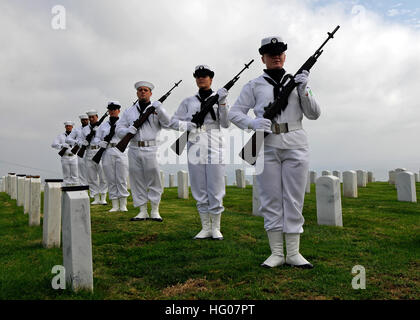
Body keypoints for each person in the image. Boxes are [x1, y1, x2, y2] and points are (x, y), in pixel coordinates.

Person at [228, 36, 321, 268]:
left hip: (296, 144)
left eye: (280, 52)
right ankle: (277, 253)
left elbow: (314, 114)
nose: (276, 56)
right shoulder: (254, 85)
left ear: (285, 56)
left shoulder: (299, 82)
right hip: (266, 145)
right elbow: (234, 113)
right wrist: (253, 124)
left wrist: (304, 88)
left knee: (294, 199)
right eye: (271, 53)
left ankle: (294, 253)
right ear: (263, 58)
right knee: (270, 199)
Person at [169, 65, 229, 240]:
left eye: (205, 76)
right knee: (199, 186)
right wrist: (187, 125)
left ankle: (216, 227)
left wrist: (223, 103)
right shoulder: (188, 101)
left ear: (211, 79)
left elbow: (225, 124)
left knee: (216, 187)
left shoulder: (219, 99)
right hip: (195, 142)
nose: (201, 78)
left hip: (215, 144)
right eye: (198, 76)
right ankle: (205, 227)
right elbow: (173, 121)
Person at [116, 81, 171, 221]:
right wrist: (128, 130)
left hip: (151, 148)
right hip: (134, 148)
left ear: (150, 93)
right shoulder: (129, 111)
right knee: (137, 180)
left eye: (146, 90)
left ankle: (154, 210)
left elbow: (168, 124)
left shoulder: (156, 109)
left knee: (154, 179)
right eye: (140, 90)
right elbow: (118, 129)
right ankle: (142, 211)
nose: (143, 92)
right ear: (137, 93)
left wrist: (161, 110)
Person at [96, 101, 130, 212]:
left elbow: (129, 134)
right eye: (110, 109)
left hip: (120, 150)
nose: (112, 111)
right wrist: (100, 143)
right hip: (108, 151)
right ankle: (115, 204)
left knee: (122, 178)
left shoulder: (123, 123)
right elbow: (97, 138)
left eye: (115, 109)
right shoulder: (103, 125)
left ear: (119, 111)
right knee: (110, 179)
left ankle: (123, 204)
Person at [81, 109, 108, 205]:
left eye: (93, 117)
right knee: (91, 177)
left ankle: (103, 197)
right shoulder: (84, 129)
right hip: (89, 152)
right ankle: (96, 197)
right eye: (90, 117)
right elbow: (81, 140)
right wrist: (84, 142)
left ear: (97, 117)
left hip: (99, 151)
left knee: (103, 176)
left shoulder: (103, 126)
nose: (91, 119)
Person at [51, 121, 79, 186]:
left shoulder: (76, 135)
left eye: (70, 126)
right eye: (67, 126)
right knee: (66, 175)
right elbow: (53, 144)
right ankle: (67, 189)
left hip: (74, 156)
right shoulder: (61, 136)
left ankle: (75, 189)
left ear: (72, 127)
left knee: (75, 175)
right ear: (65, 127)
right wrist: (62, 145)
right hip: (65, 156)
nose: (68, 127)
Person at [66, 114, 89, 185]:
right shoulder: (77, 129)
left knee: (91, 170)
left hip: (90, 150)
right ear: (81, 120)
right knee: (81, 170)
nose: (84, 121)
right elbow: (68, 139)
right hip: (81, 150)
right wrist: (77, 142)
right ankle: (83, 187)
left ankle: (92, 188)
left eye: (86, 119)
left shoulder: (92, 128)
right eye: (83, 120)